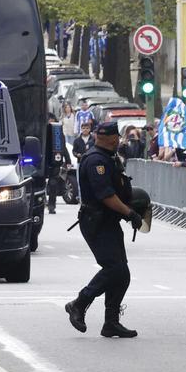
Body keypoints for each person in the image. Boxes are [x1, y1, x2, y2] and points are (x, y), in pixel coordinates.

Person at [64, 121, 145, 339]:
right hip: (96, 222)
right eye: (116, 137)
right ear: (110, 138)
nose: (119, 140)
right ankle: (80, 303)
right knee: (114, 268)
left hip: (108, 221)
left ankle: (111, 322)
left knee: (122, 274)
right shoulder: (96, 161)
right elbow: (106, 196)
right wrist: (130, 213)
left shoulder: (109, 157)